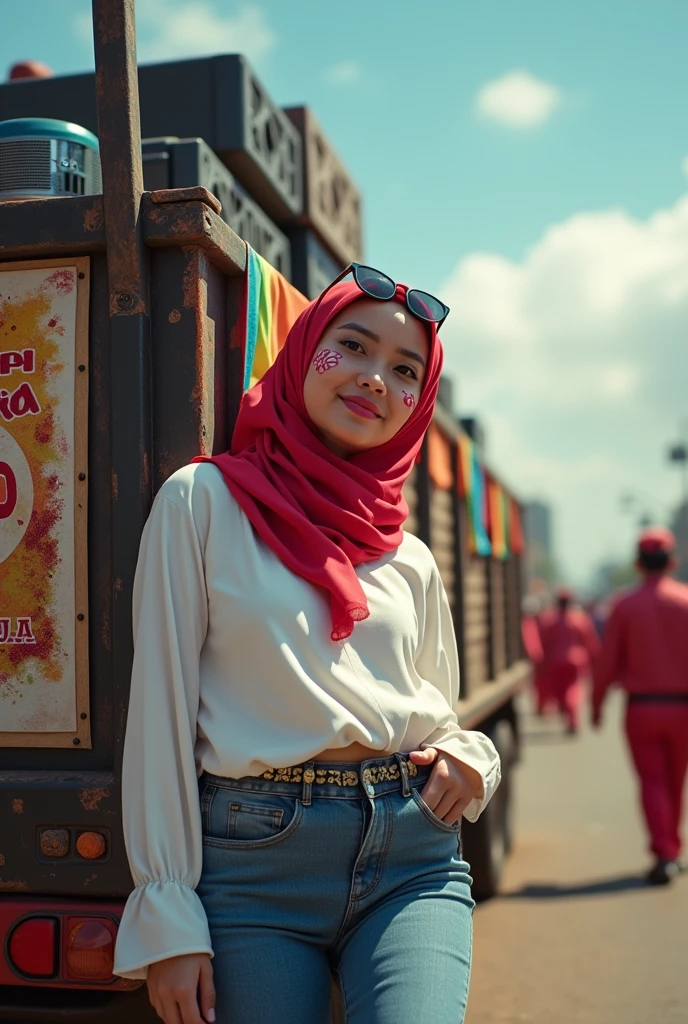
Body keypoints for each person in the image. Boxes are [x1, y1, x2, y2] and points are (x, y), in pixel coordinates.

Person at [112, 264, 501, 1024]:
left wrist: (473, 757)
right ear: (299, 355)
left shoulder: (410, 556)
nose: (375, 380)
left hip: (411, 856)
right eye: (351, 347)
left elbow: (438, 715)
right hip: (253, 866)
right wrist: (168, 915)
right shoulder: (202, 504)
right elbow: (158, 714)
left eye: (403, 371)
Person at [592, 526, 688, 885]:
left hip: (642, 710)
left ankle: (664, 851)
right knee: (675, 782)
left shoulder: (625, 605)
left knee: (652, 782)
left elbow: (607, 662)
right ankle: (672, 849)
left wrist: (596, 704)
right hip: (682, 710)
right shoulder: (685, 600)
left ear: (637, 564)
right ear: (673, 561)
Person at [536, 587, 600, 734]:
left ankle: (570, 718)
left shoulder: (549, 619)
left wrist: (542, 662)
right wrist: (596, 661)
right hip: (576, 661)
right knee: (573, 690)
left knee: (561, 692)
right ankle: (571, 718)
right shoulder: (580, 619)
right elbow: (590, 642)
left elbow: (542, 643)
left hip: (555, 662)